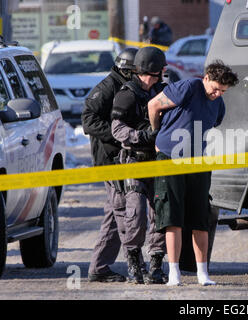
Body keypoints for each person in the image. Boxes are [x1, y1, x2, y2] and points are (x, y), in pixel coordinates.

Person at [148, 60, 239, 286]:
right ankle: (174, 273)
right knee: (172, 217)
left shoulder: (219, 104)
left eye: (223, 91)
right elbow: (153, 105)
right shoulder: (188, 87)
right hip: (170, 158)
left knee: (200, 218)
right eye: (215, 88)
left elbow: (210, 124)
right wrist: (157, 136)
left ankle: (202, 274)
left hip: (198, 162)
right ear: (206, 78)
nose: (218, 94)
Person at [110, 46, 168, 284]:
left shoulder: (160, 91)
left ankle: (156, 264)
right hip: (134, 160)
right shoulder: (127, 94)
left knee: (160, 214)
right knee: (135, 214)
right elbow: (117, 130)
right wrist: (142, 137)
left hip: (157, 161)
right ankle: (134, 263)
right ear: (151, 71)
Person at [83, 48, 137, 283]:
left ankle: (100, 266)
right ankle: (130, 265)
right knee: (121, 210)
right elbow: (88, 120)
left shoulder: (124, 86)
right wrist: (118, 136)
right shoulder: (107, 87)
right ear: (127, 70)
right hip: (110, 159)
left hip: (119, 158)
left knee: (114, 214)